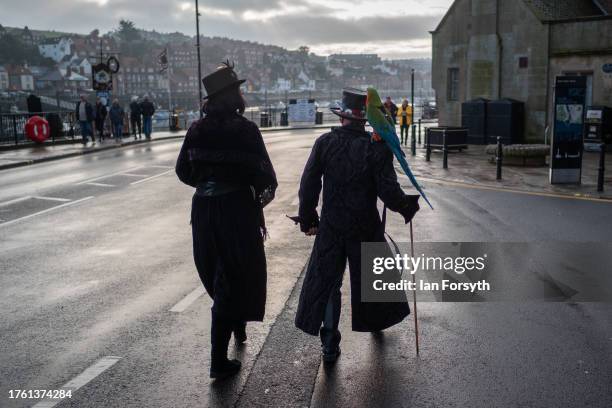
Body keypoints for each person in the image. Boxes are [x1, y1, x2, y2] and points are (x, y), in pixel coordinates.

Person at [294, 88, 420, 363]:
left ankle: (329, 345)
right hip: (364, 225)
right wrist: (406, 206)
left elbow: (309, 184)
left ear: (342, 118)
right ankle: (376, 323)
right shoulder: (375, 148)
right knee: (372, 279)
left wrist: (308, 218)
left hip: (332, 226)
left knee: (329, 283)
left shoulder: (324, 143)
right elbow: (388, 190)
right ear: (364, 120)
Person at [175, 62, 277, 380]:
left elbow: (182, 171)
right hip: (236, 210)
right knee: (236, 274)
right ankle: (219, 359)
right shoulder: (246, 131)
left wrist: (207, 186)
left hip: (204, 210)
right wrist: (254, 195)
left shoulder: (196, 130)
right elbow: (266, 178)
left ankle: (233, 326)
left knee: (217, 274)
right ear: (232, 96)